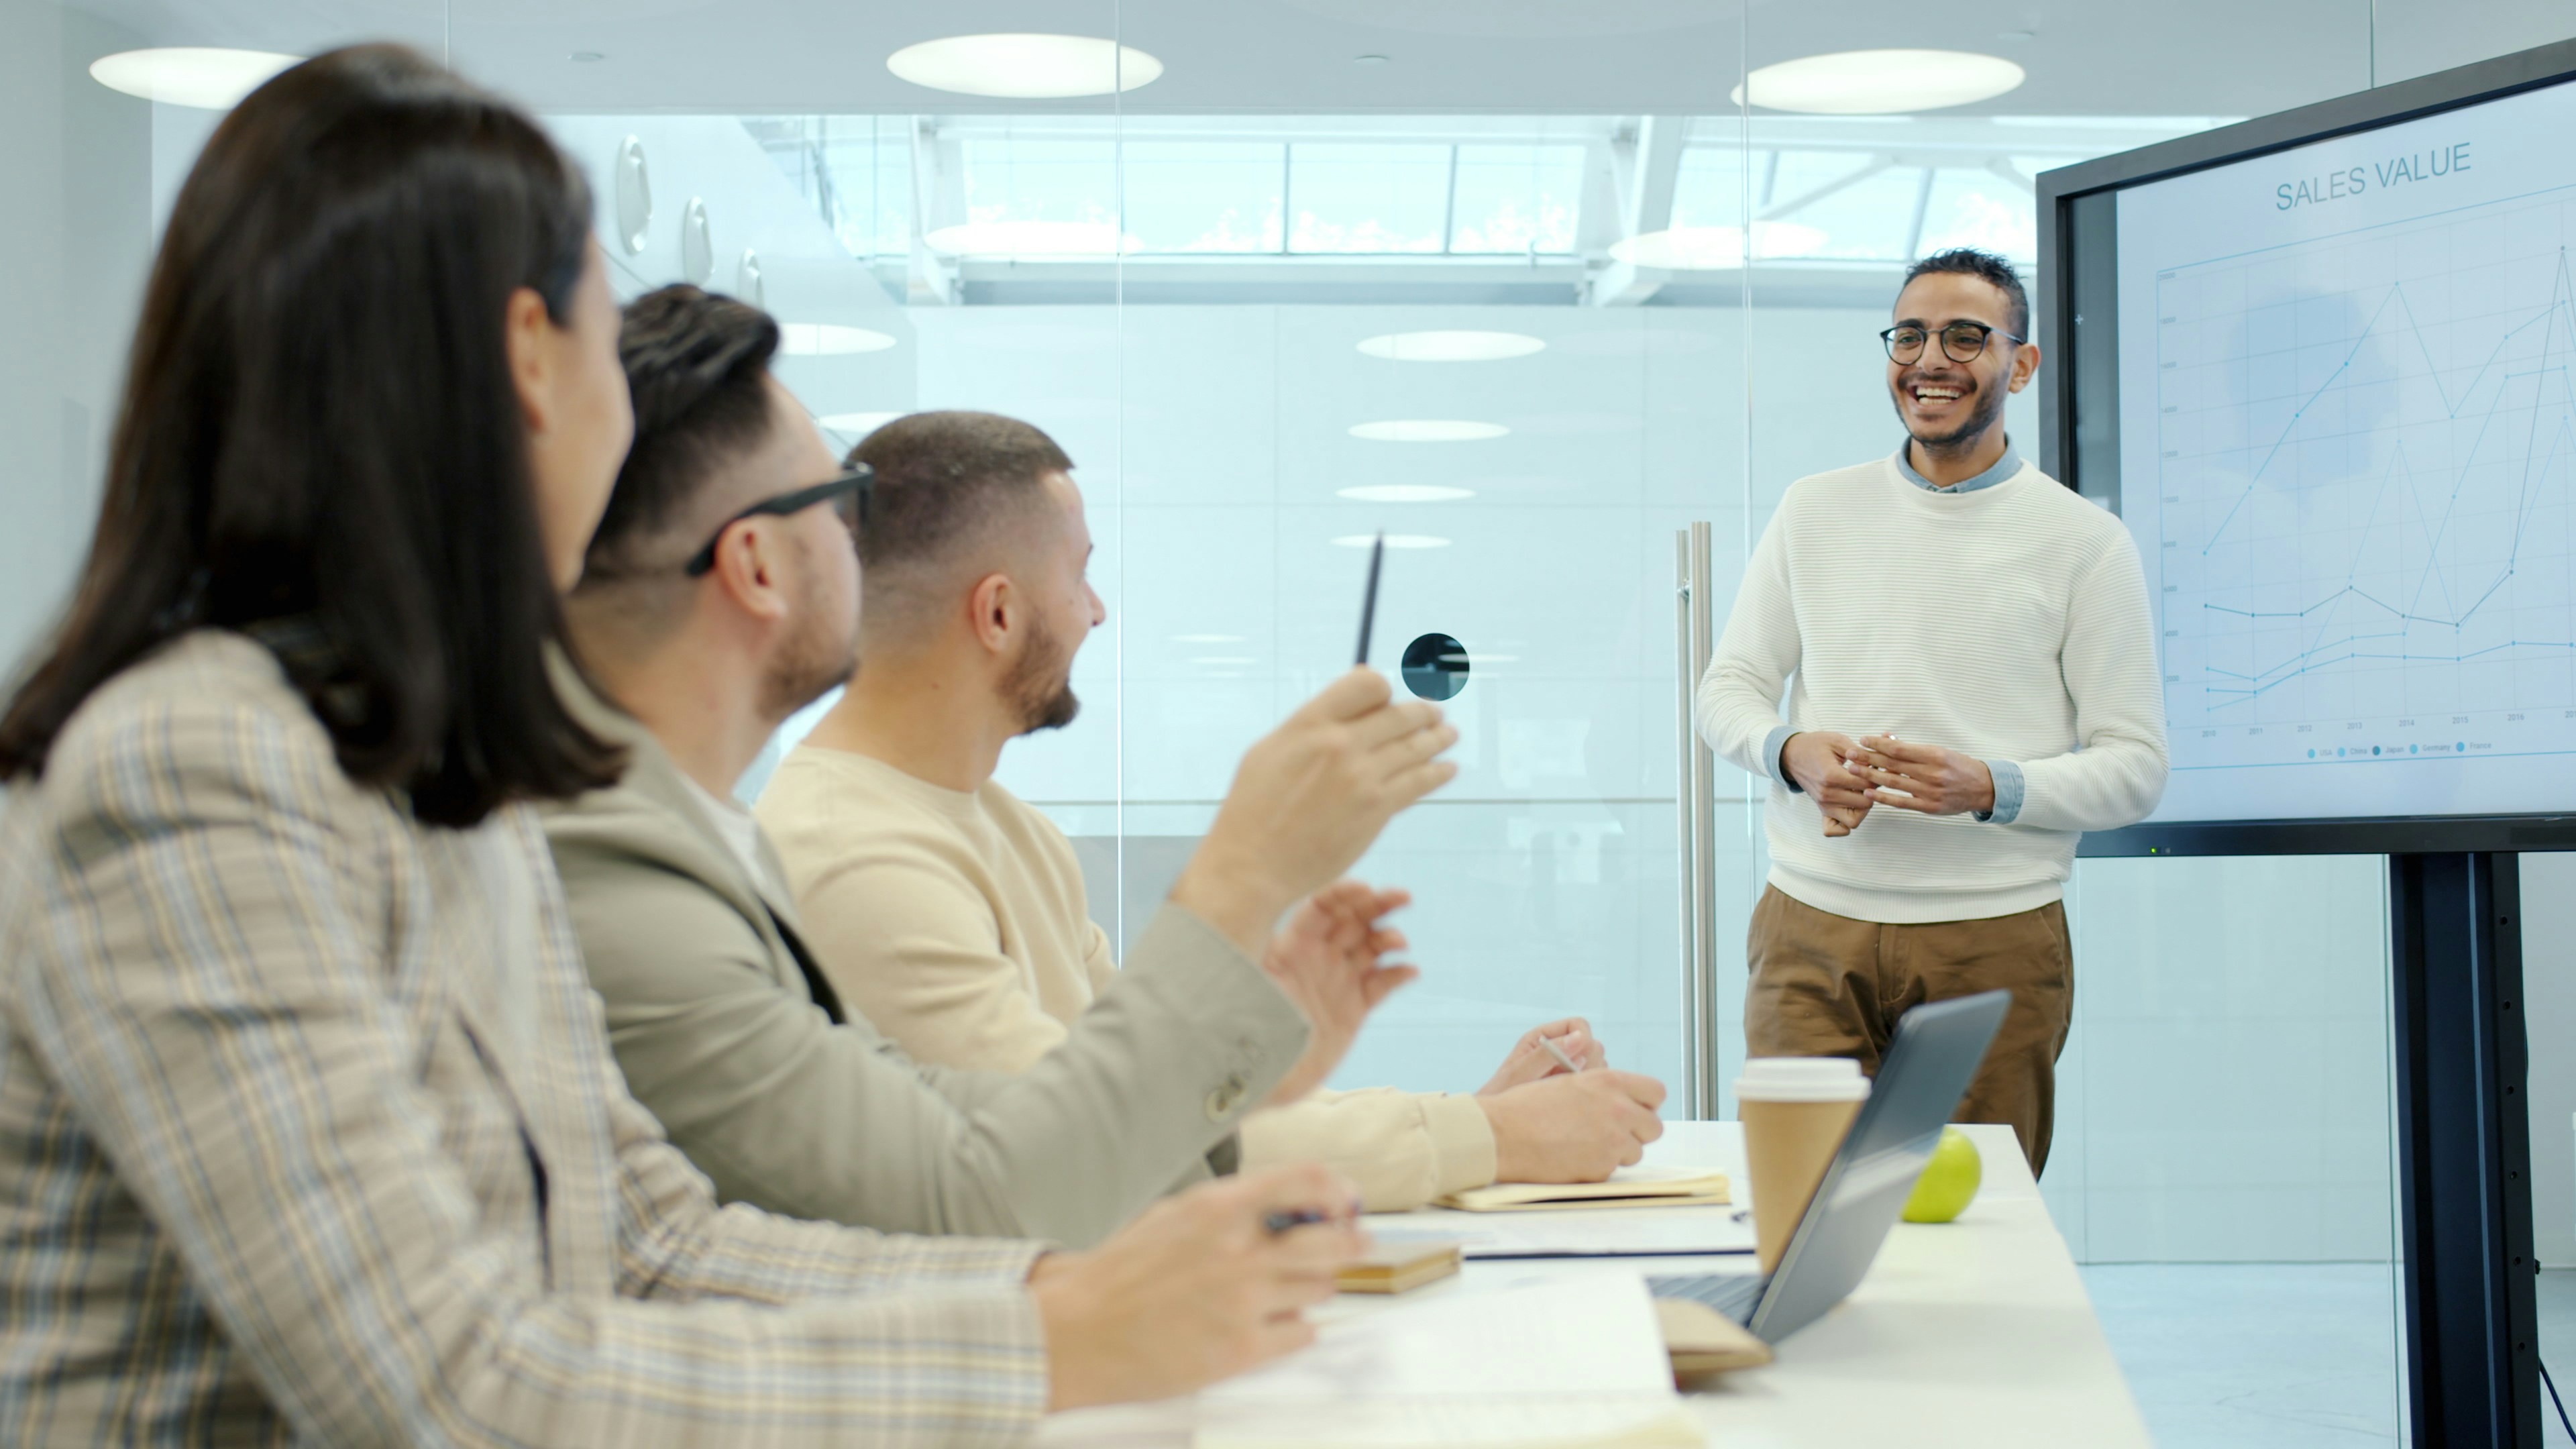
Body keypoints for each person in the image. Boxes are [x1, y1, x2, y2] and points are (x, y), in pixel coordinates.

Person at [0, 46, 1399, 1442]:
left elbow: (649, 1243)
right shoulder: (200, 763)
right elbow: (446, 1388)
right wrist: (1049, 1340)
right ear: (529, 357)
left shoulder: (445, 787)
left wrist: (1052, 1306)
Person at [547, 284, 1442, 1246]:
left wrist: (1258, 1044)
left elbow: (1016, 1127)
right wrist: (1246, 870)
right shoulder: (664, 869)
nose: (867, 550)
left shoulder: (714, 845)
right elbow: (999, 1188)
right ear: (758, 564)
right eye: (840, 507)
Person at [757, 411, 1669, 1213]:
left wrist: (1483, 1119)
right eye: (1081, 576)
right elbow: (1104, 1154)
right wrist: (1488, 1137)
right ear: (997, 613)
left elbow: (1165, 1110)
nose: (1097, 613)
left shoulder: (1010, 831)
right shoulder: (852, 857)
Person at [1697, 247, 2169, 1175]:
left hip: (1990, 941)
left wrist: (1990, 786)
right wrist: (1793, 752)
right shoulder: (1813, 510)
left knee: (1975, 1225)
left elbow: (2137, 766)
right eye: (1909, 335)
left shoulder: (2085, 543)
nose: (1930, 360)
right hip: (1809, 927)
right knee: (1795, 1210)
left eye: (1966, 337)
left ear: (2021, 366)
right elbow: (1728, 692)